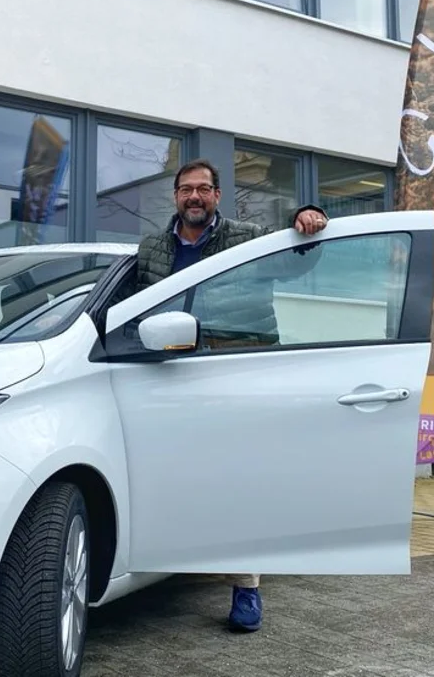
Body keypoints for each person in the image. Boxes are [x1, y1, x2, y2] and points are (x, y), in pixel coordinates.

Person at [133, 158, 329, 632]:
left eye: (203, 189)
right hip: (173, 376)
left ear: (218, 195)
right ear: (176, 196)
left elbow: (297, 263)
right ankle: (165, 564)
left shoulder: (247, 237)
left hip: (239, 369)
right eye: (186, 190)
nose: (194, 197)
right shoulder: (152, 247)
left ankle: (246, 586)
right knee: (176, 475)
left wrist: (307, 220)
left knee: (240, 480)